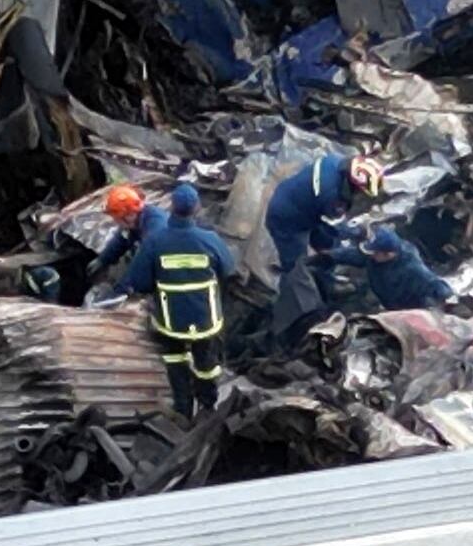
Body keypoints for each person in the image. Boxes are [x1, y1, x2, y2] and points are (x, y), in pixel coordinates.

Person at [123, 183, 238, 419]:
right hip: (206, 320)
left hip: (171, 322)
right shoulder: (210, 240)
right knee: (206, 365)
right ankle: (207, 406)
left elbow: (140, 282)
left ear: (172, 208)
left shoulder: (154, 242)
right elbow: (228, 270)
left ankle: (183, 408)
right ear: (196, 208)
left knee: (176, 362)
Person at [266, 152, 386, 348]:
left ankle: (327, 283)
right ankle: (307, 314)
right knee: (296, 267)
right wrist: (358, 231)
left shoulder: (335, 160)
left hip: (303, 205)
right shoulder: (331, 196)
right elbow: (336, 228)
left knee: (327, 245)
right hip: (287, 219)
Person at [348, 225, 449, 312]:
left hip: (404, 310)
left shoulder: (412, 269)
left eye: (375, 253)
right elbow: (355, 255)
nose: (371, 256)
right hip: (382, 293)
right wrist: (333, 256)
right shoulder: (378, 257)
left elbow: (435, 284)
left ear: (388, 254)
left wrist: (449, 301)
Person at [82, 182, 150, 299]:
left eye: (116, 218)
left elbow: (142, 264)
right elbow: (122, 238)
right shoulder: (134, 222)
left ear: (128, 215)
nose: (115, 222)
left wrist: (121, 290)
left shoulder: (154, 230)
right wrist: (103, 259)